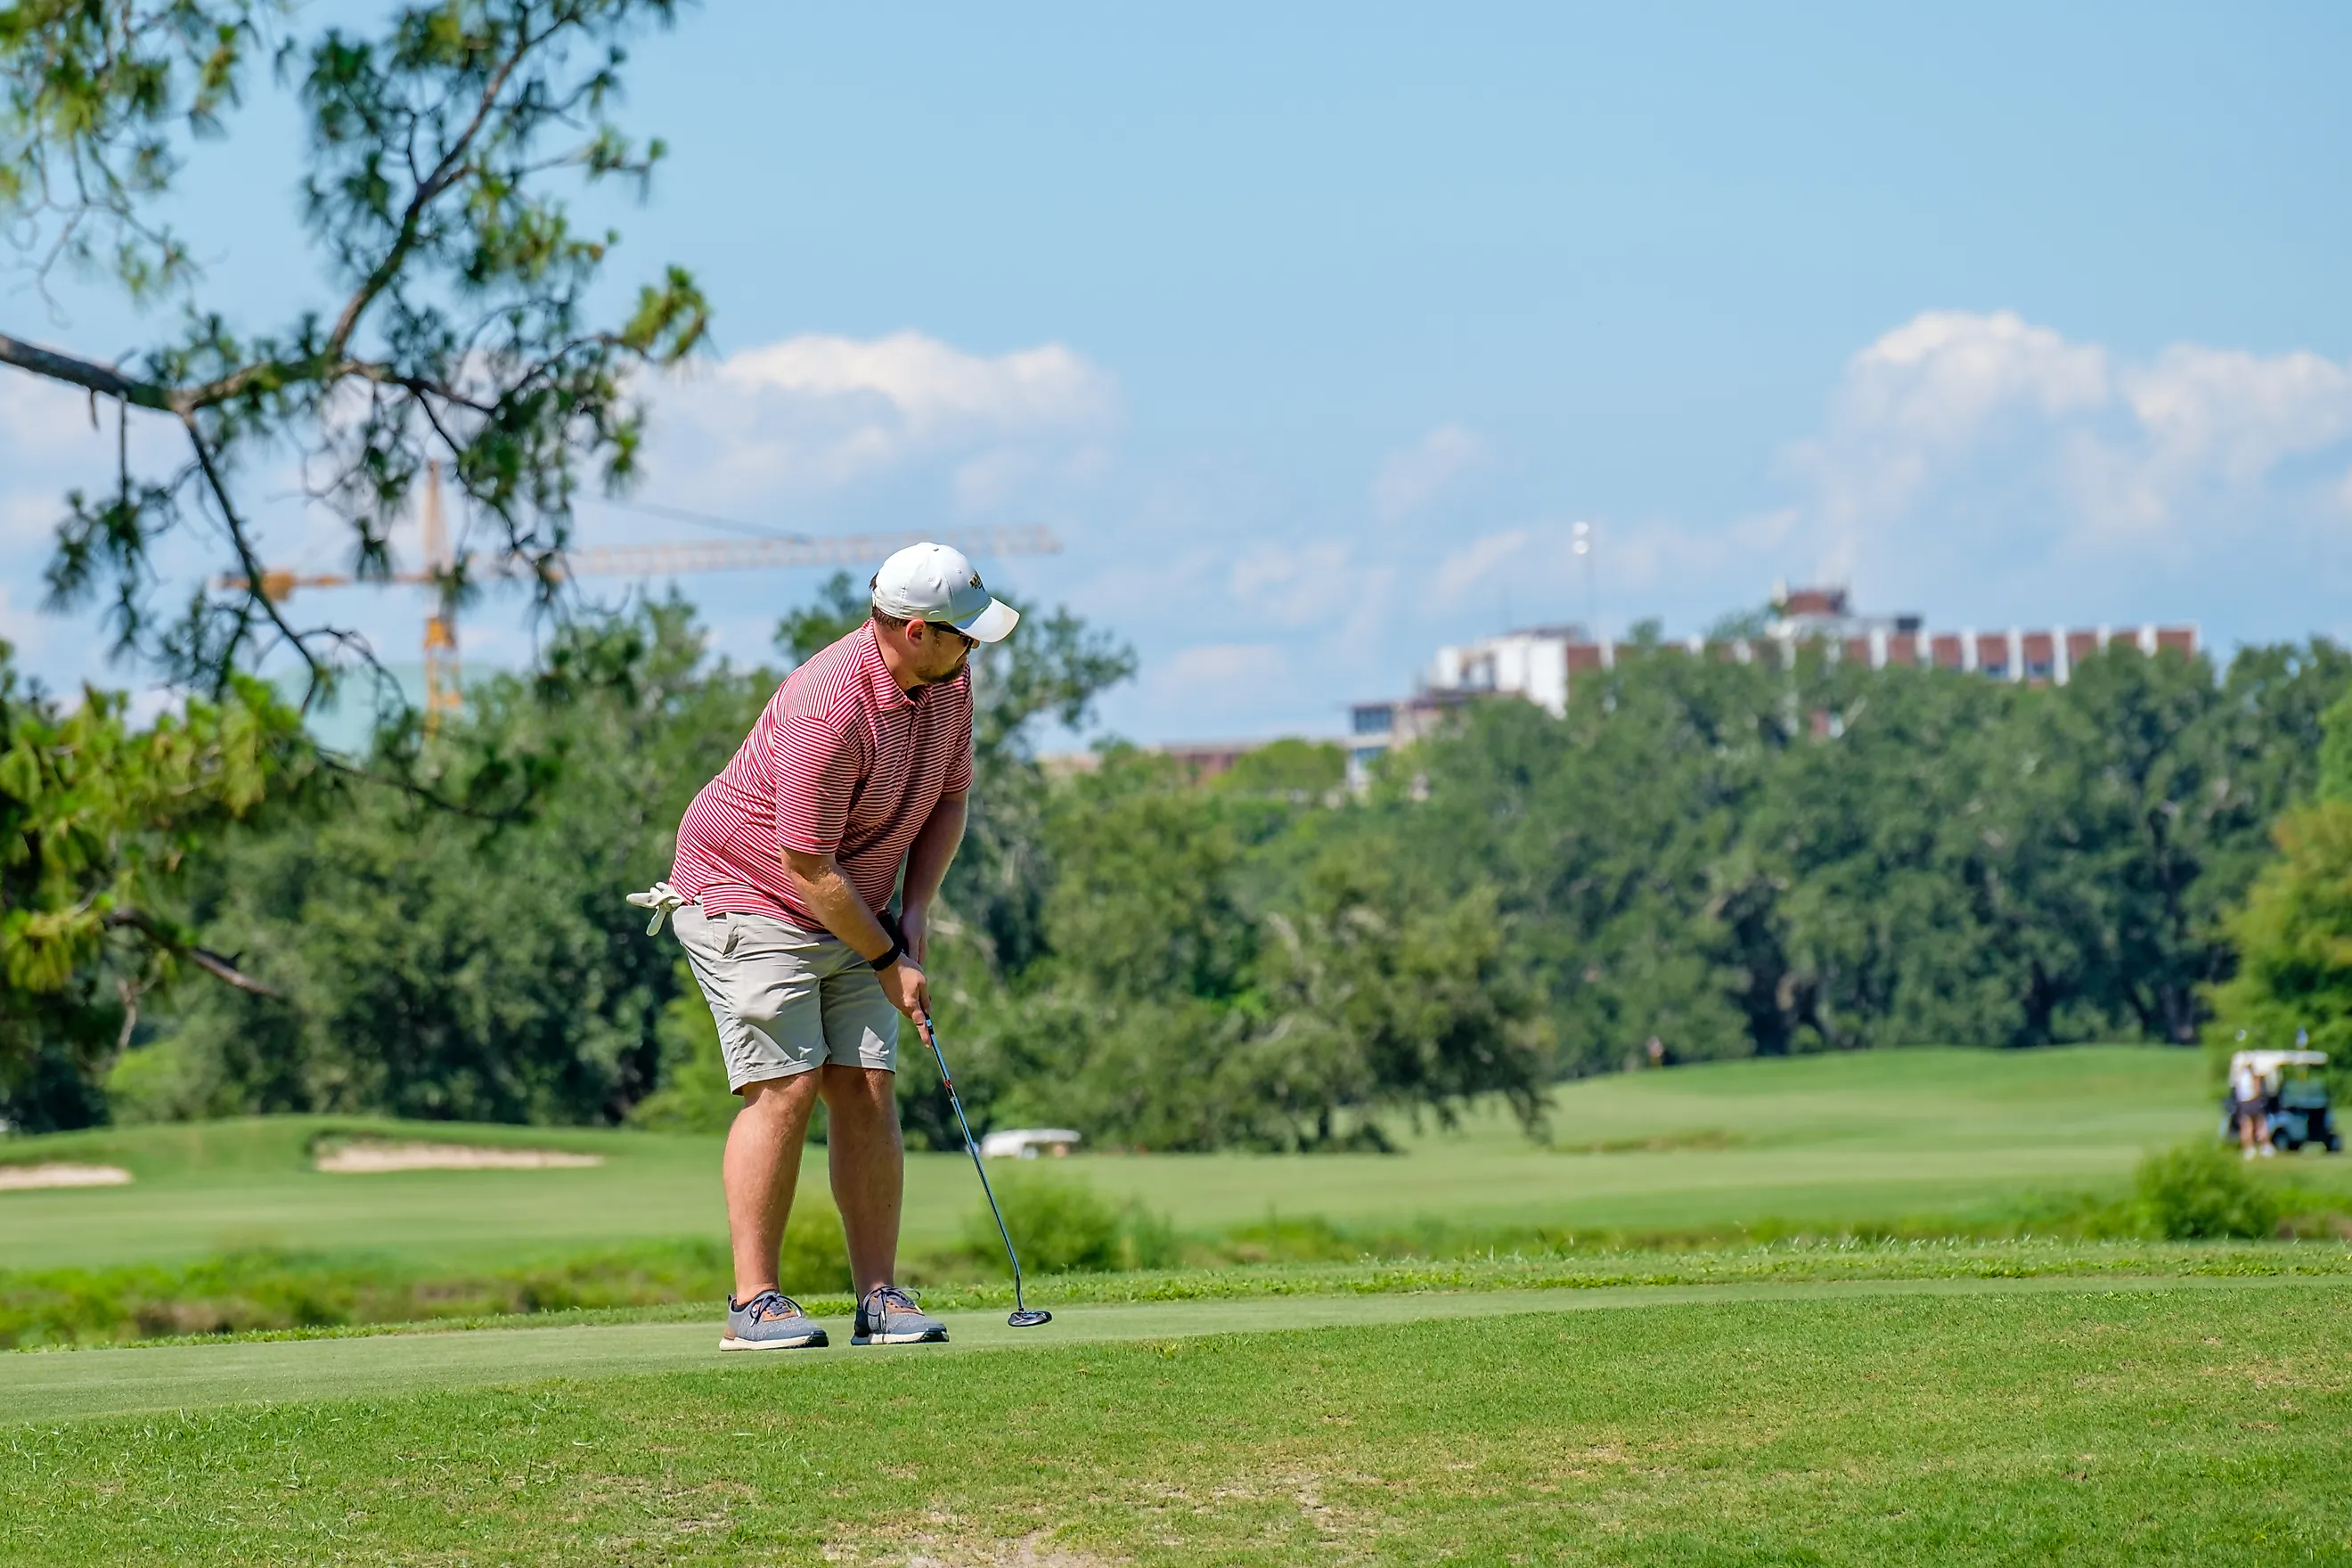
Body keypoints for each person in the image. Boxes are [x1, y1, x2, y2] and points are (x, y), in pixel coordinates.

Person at [638, 543, 1017, 1351]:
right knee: (786, 1083)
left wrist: (913, 914)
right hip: (747, 888)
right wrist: (886, 958)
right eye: (962, 634)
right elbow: (804, 861)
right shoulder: (829, 705)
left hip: (850, 899)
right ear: (914, 630)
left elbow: (949, 798)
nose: (975, 646)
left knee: (868, 1084)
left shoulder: (949, 677)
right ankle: (754, 1303)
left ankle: (878, 1298)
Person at [2231, 1056, 2273, 1160]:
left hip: (2243, 1102)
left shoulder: (2239, 1075)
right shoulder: (2252, 1075)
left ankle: (2248, 1148)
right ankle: (2264, 1146)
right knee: (2259, 1124)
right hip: (2252, 1101)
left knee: (2246, 1125)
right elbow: (2257, 1089)